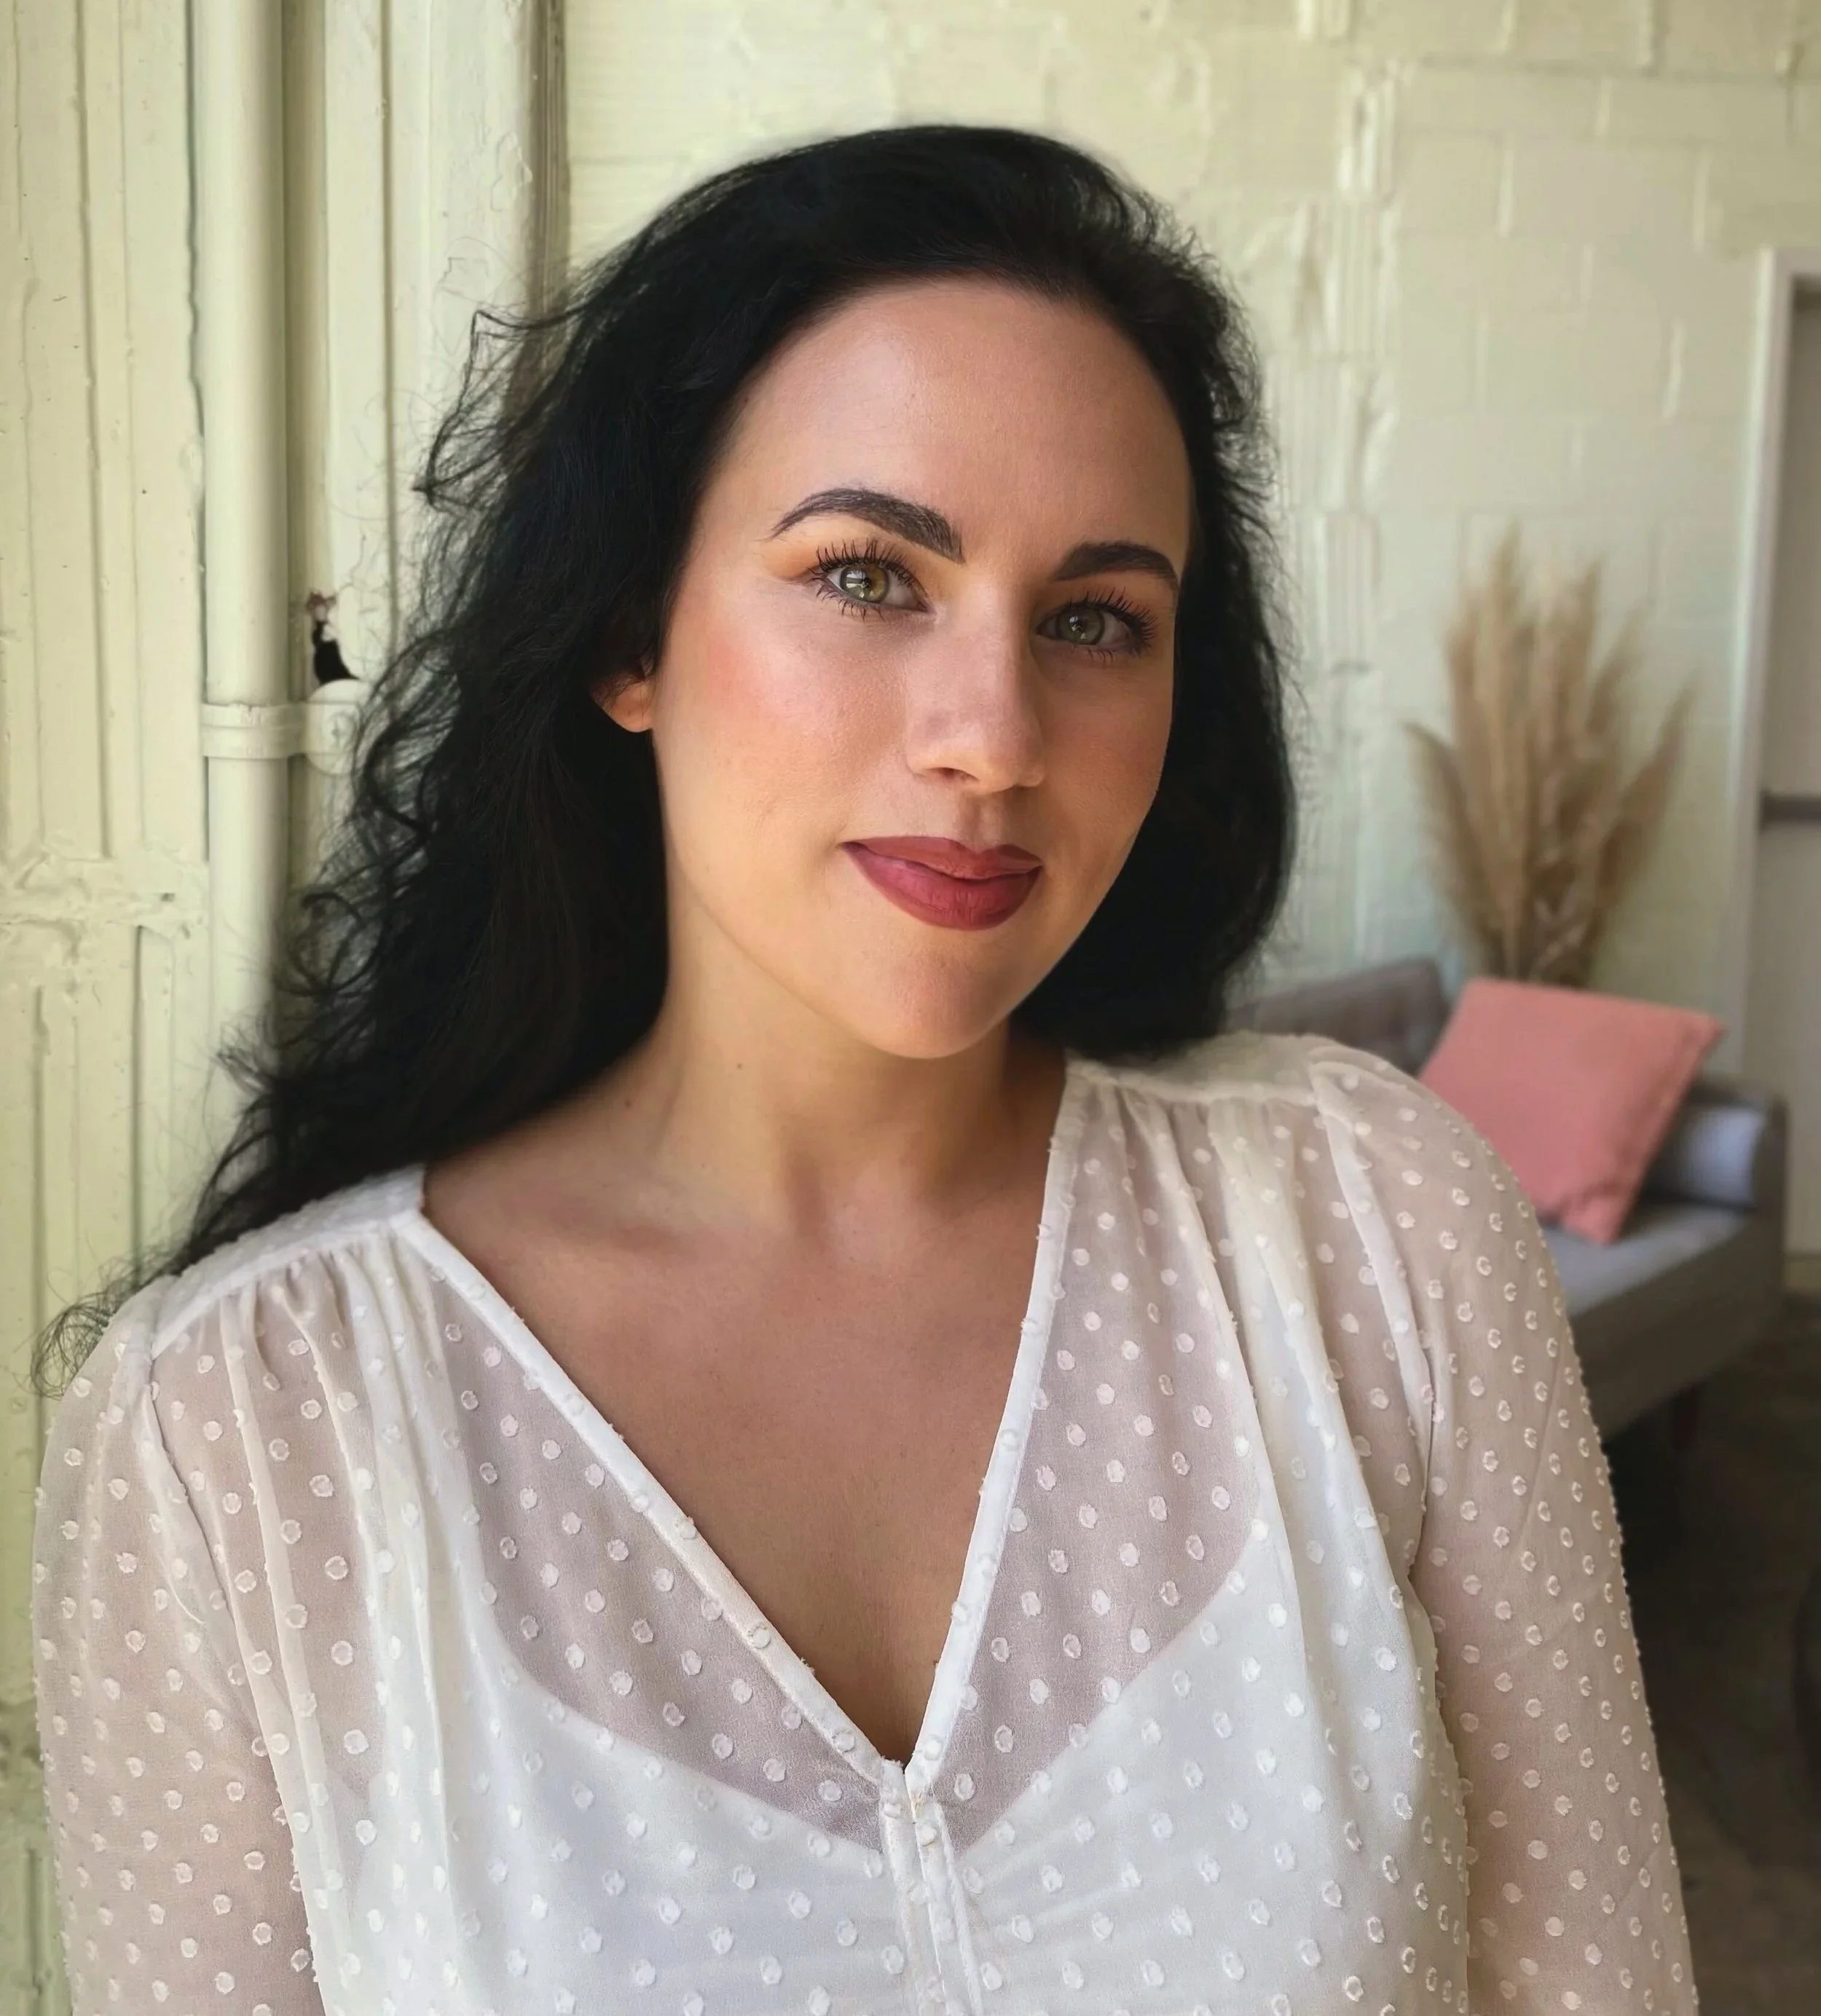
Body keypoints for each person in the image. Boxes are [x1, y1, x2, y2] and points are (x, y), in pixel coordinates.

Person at [31, 125, 1696, 2015]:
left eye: (1093, 619)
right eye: (867, 574)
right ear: (626, 628)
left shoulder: (1370, 1230)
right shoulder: (237, 1428)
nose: (991, 735)